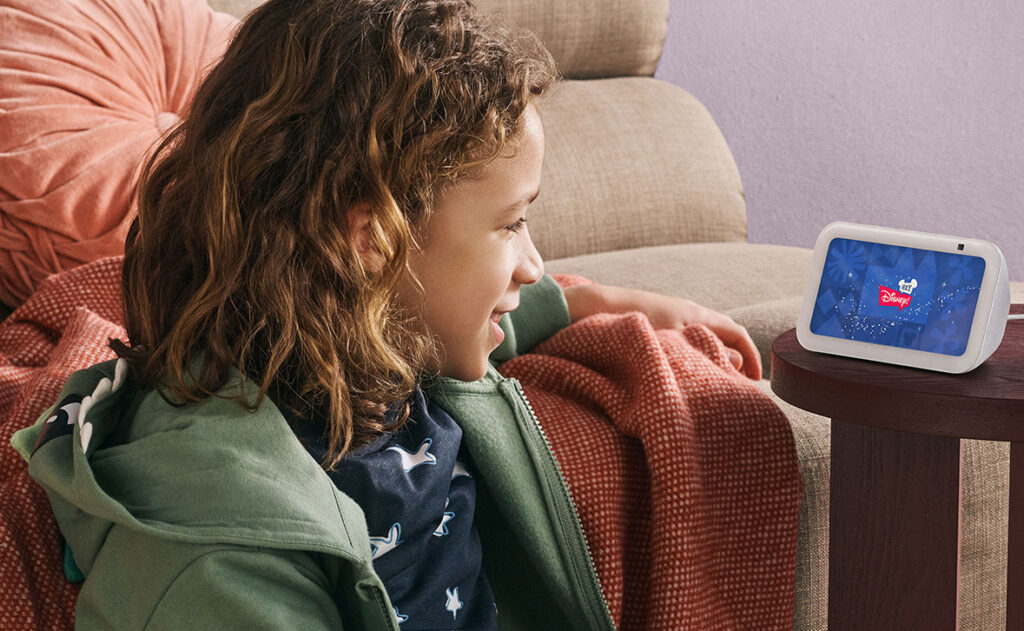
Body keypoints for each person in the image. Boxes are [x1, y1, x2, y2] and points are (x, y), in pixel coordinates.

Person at [14, 0, 761, 628]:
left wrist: (587, 300)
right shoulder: (218, 554)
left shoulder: (359, 342)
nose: (533, 264)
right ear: (372, 238)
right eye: (510, 226)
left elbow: (460, 304)